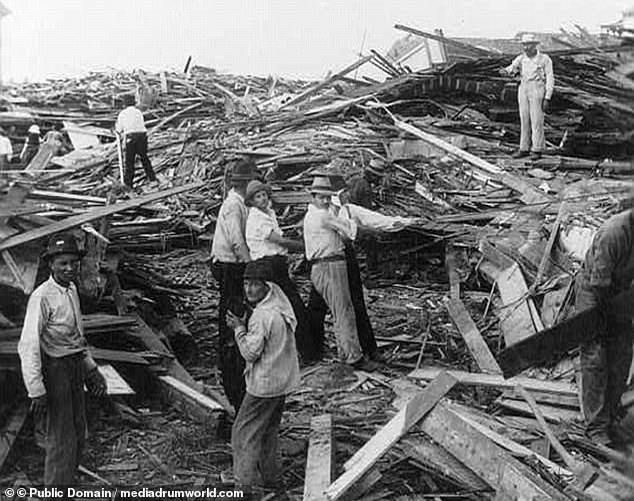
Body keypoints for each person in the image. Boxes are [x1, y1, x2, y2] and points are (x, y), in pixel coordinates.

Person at [17, 233, 106, 489]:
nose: (69, 268)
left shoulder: (71, 290)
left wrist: (91, 369)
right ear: (51, 265)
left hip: (74, 366)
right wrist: (36, 389)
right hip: (55, 369)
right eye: (62, 263)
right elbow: (29, 345)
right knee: (61, 435)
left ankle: (67, 483)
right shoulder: (42, 297)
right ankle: (55, 490)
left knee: (79, 430)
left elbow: (78, 336)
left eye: (73, 262)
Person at [227, 260, 299, 493]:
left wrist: (239, 328)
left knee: (242, 433)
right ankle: (273, 479)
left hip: (264, 385)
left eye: (255, 285)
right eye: (246, 284)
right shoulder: (280, 307)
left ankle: (243, 486)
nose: (249, 290)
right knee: (268, 432)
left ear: (267, 286)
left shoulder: (262, 316)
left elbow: (250, 352)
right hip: (282, 382)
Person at [303, 176, 377, 371]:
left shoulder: (316, 214)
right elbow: (348, 229)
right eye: (321, 198)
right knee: (344, 312)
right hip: (329, 265)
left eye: (328, 197)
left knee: (340, 310)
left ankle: (345, 353)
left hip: (327, 265)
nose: (326, 201)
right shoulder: (322, 215)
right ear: (313, 197)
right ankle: (354, 358)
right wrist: (375, 230)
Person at [575, 208, 634, 446]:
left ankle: (610, 415)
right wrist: (611, 319)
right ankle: (596, 426)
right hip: (594, 291)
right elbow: (599, 285)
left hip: (621, 290)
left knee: (622, 354)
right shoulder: (614, 233)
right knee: (596, 356)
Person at [244, 180, 311, 359]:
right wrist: (305, 246)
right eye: (258, 197)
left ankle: (299, 347)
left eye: (264, 195)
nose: (263, 199)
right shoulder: (257, 218)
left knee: (288, 303)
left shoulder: (268, 213)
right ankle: (300, 349)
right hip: (266, 265)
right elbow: (279, 241)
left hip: (275, 263)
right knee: (286, 305)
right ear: (251, 201)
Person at [210, 159, 257, 410]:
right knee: (232, 316)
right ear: (244, 183)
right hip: (230, 267)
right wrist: (253, 268)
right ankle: (231, 369)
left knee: (241, 314)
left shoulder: (241, 203)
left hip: (236, 266)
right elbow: (237, 242)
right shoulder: (233, 205)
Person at [499, 33, 554, 161]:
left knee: (536, 120)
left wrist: (547, 97)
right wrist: (505, 71)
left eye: (529, 45)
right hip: (523, 88)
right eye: (524, 45)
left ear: (535, 45)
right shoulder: (521, 58)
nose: (526, 47)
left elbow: (550, 79)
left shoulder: (544, 59)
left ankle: (537, 149)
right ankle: (523, 148)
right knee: (524, 119)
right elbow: (511, 68)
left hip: (537, 88)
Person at [115, 94, 157, 188]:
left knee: (129, 162)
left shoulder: (123, 114)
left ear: (124, 104)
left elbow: (119, 129)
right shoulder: (138, 112)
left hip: (131, 137)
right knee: (144, 158)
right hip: (142, 136)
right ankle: (152, 179)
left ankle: (128, 185)